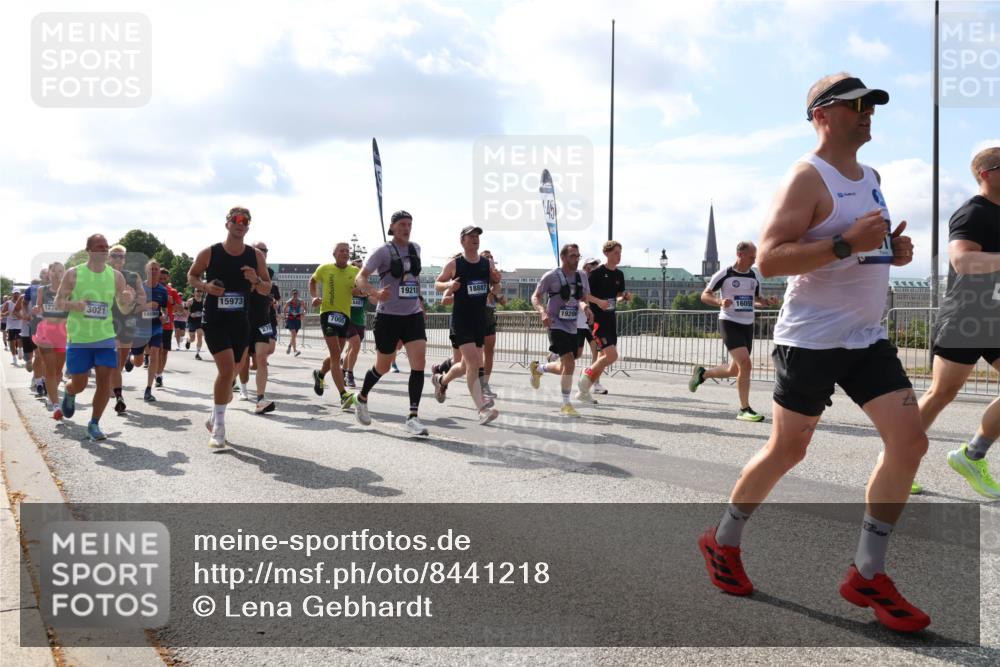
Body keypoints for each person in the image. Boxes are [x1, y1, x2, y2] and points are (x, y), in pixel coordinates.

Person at [696, 73, 929, 633]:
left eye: (871, 105)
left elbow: (862, 249)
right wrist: (848, 243)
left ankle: (867, 572)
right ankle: (723, 539)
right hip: (812, 340)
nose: (867, 113)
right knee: (788, 450)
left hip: (866, 338)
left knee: (910, 442)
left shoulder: (872, 176)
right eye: (856, 105)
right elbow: (771, 259)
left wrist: (890, 250)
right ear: (822, 115)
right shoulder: (805, 177)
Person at [914, 146, 1000, 498]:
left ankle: (972, 455)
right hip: (966, 317)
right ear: (986, 173)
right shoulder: (972, 212)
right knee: (942, 393)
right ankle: (896, 460)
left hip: (996, 317)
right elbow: (963, 261)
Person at [187, 206, 271, 448]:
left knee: (233, 371)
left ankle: (213, 416)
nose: (241, 223)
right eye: (237, 219)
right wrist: (206, 287)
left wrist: (256, 279)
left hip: (240, 321)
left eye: (246, 221)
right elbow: (192, 276)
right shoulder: (210, 252)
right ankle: (219, 429)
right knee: (225, 371)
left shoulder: (255, 256)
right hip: (215, 320)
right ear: (228, 224)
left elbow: (266, 288)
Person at [352, 210, 429, 435]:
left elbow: (413, 279)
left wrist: (420, 302)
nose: (407, 228)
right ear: (392, 227)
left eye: (409, 224)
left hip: (413, 315)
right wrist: (374, 292)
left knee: (419, 363)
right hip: (388, 316)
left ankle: (413, 417)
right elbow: (360, 277)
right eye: (402, 224)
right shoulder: (382, 251)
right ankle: (361, 397)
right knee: (383, 366)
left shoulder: (416, 248)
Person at [55, 233, 136, 441]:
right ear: (89, 250)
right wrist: (76, 305)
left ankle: (94, 423)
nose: (104, 250)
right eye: (100, 246)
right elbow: (58, 302)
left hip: (105, 337)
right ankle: (70, 391)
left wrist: (128, 300)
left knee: (104, 381)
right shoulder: (74, 273)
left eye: (106, 246)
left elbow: (123, 308)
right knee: (80, 384)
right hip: (79, 338)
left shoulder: (116, 276)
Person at [690, 241, 780, 421]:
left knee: (734, 370)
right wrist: (720, 302)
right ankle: (744, 409)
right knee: (746, 364)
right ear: (740, 254)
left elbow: (757, 300)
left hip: (747, 325)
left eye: (755, 257)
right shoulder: (724, 274)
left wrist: (767, 302)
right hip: (729, 322)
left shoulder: (754, 276)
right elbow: (704, 295)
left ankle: (703, 374)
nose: (754, 261)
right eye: (751, 257)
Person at [431, 226, 501, 425]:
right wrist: (448, 285)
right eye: (471, 236)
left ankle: (441, 381)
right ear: (462, 241)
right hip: (461, 320)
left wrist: (496, 282)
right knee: (473, 362)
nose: (475, 239)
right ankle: (482, 409)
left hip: (479, 320)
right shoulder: (455, 263)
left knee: (464, 365)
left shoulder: (487, 264)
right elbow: (437, 283)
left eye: (477, 236)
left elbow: (495, 288)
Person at [528, 243, 592, 417]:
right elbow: (535, 296)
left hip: (572, 326)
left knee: (566, 365)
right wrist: (542, 312)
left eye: (578, 256)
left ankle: (539, 369)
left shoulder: (582, 276)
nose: (576, 259)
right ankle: (566, 404)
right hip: (555, 324)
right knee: (570, 363)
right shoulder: (551, 276)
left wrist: (586, 308)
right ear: (563, 257)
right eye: (572, 256)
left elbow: (581, 298)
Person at [308, 242, 360, 411]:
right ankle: (343, 394)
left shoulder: (354, 271)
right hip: (327, 313)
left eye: (347, 251)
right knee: (336, 354)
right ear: (334, 254)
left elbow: (360, 289)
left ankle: (320, 374)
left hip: (344, 316)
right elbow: (312, 281)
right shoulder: (325, 268)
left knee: (335, 355)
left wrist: (360, 291)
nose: (345, 253)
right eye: (341, 250)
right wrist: (314, 297)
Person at [238, 241, 279, 413]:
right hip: (244, 319)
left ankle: (261, 399)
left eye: (265, 250)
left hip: (263, 320)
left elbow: (266, 289)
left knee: (262, 358)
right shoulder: (242, 269)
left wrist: (257, 281)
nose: (263, 252)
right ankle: (243, 388)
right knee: (242, 360)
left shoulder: (268, 271)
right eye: (259, 250)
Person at [108, 245, 145, 414]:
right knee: (116, 358)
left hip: (128, 320)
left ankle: (114, 381)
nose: (118, 259)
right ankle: (119, 395)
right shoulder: (103, 275)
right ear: (109, 258)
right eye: (114, 255)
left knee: (122, 358)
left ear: (124, 259)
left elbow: (143, 297)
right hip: (109, 320)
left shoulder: (133, 276)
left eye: (121, 256)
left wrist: (133, 299)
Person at [33, 262, 68, 417]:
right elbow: (38, 306)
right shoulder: (42, 290)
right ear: (49, 273)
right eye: (55, 271)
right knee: (49, 368)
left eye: (61, 271)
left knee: (58, 371)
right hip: (46, 331)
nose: (58, 273)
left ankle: (50, 394)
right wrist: (36, 309)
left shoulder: (69, 291)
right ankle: (55, 405)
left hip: (63, 332)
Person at [341, 258, 373, 388]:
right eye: (356, 267)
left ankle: (343, 371)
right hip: (347, 320)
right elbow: (354, 291)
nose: (359, 270)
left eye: (361, 267)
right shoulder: (348, 283)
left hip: (360, 320)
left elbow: (372, 299)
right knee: (355, 345)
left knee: (351, 349)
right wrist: (365, 291)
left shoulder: (365, 283)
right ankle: (350, 374)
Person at [480, 249, 506, 399]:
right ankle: (443, 370)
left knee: (489, 352)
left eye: (491, 257)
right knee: (465, 360)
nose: (489, 259)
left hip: (489, 316)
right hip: (475, 316)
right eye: (486, 257)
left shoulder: (495, 281)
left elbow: (503, 300)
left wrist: (496, 295)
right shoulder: (475, 274)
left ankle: (484, 385)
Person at [155, 269, 183, 388]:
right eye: (160, 278)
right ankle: (155, 371)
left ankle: (159, 375)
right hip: (154, 324)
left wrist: (172, 303)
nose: (162, 281)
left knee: (164, 351)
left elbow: (180, 309)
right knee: (157, 350)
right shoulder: (152, 289)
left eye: (164, 279)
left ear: (168, 278)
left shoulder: (172, 291)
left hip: (167, 325)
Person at [185, 288, 205, 359]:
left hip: (200, 321)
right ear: (195, 292)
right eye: (197, 291)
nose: (199, 293)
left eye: (200, 291)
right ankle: (188, 341)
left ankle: (197, 354)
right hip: (192, 321)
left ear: (202, 292)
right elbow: (185, 310)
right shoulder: (190, 301)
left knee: (200, 335)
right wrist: (190, 314)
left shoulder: (204, 301)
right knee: (192, 339)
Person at [284, 289, 304, 356]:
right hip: (290, 319)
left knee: (294, 336)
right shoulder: (289, 302)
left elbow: (305, 308)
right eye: (294, 294)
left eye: (296, 293)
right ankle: (295, 351)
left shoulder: (300, 301)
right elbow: (284, 309)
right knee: (293, 333)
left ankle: (289, 346)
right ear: (292, 294)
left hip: (297, 319)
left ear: (298, 294)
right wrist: (285, 317)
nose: (295, 295)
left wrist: (303, 313)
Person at [5, 290, 21, 365]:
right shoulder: (8, 303)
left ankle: (20, 350)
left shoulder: (22, 302)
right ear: (12, 294)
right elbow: (2, 313)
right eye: (15, 293)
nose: (16, 295)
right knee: (12, 342)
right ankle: (14, 358)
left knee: (20, 340)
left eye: (17, 293)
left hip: (20, 325)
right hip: (11, 325)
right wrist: (5, 313)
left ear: (19, 294)